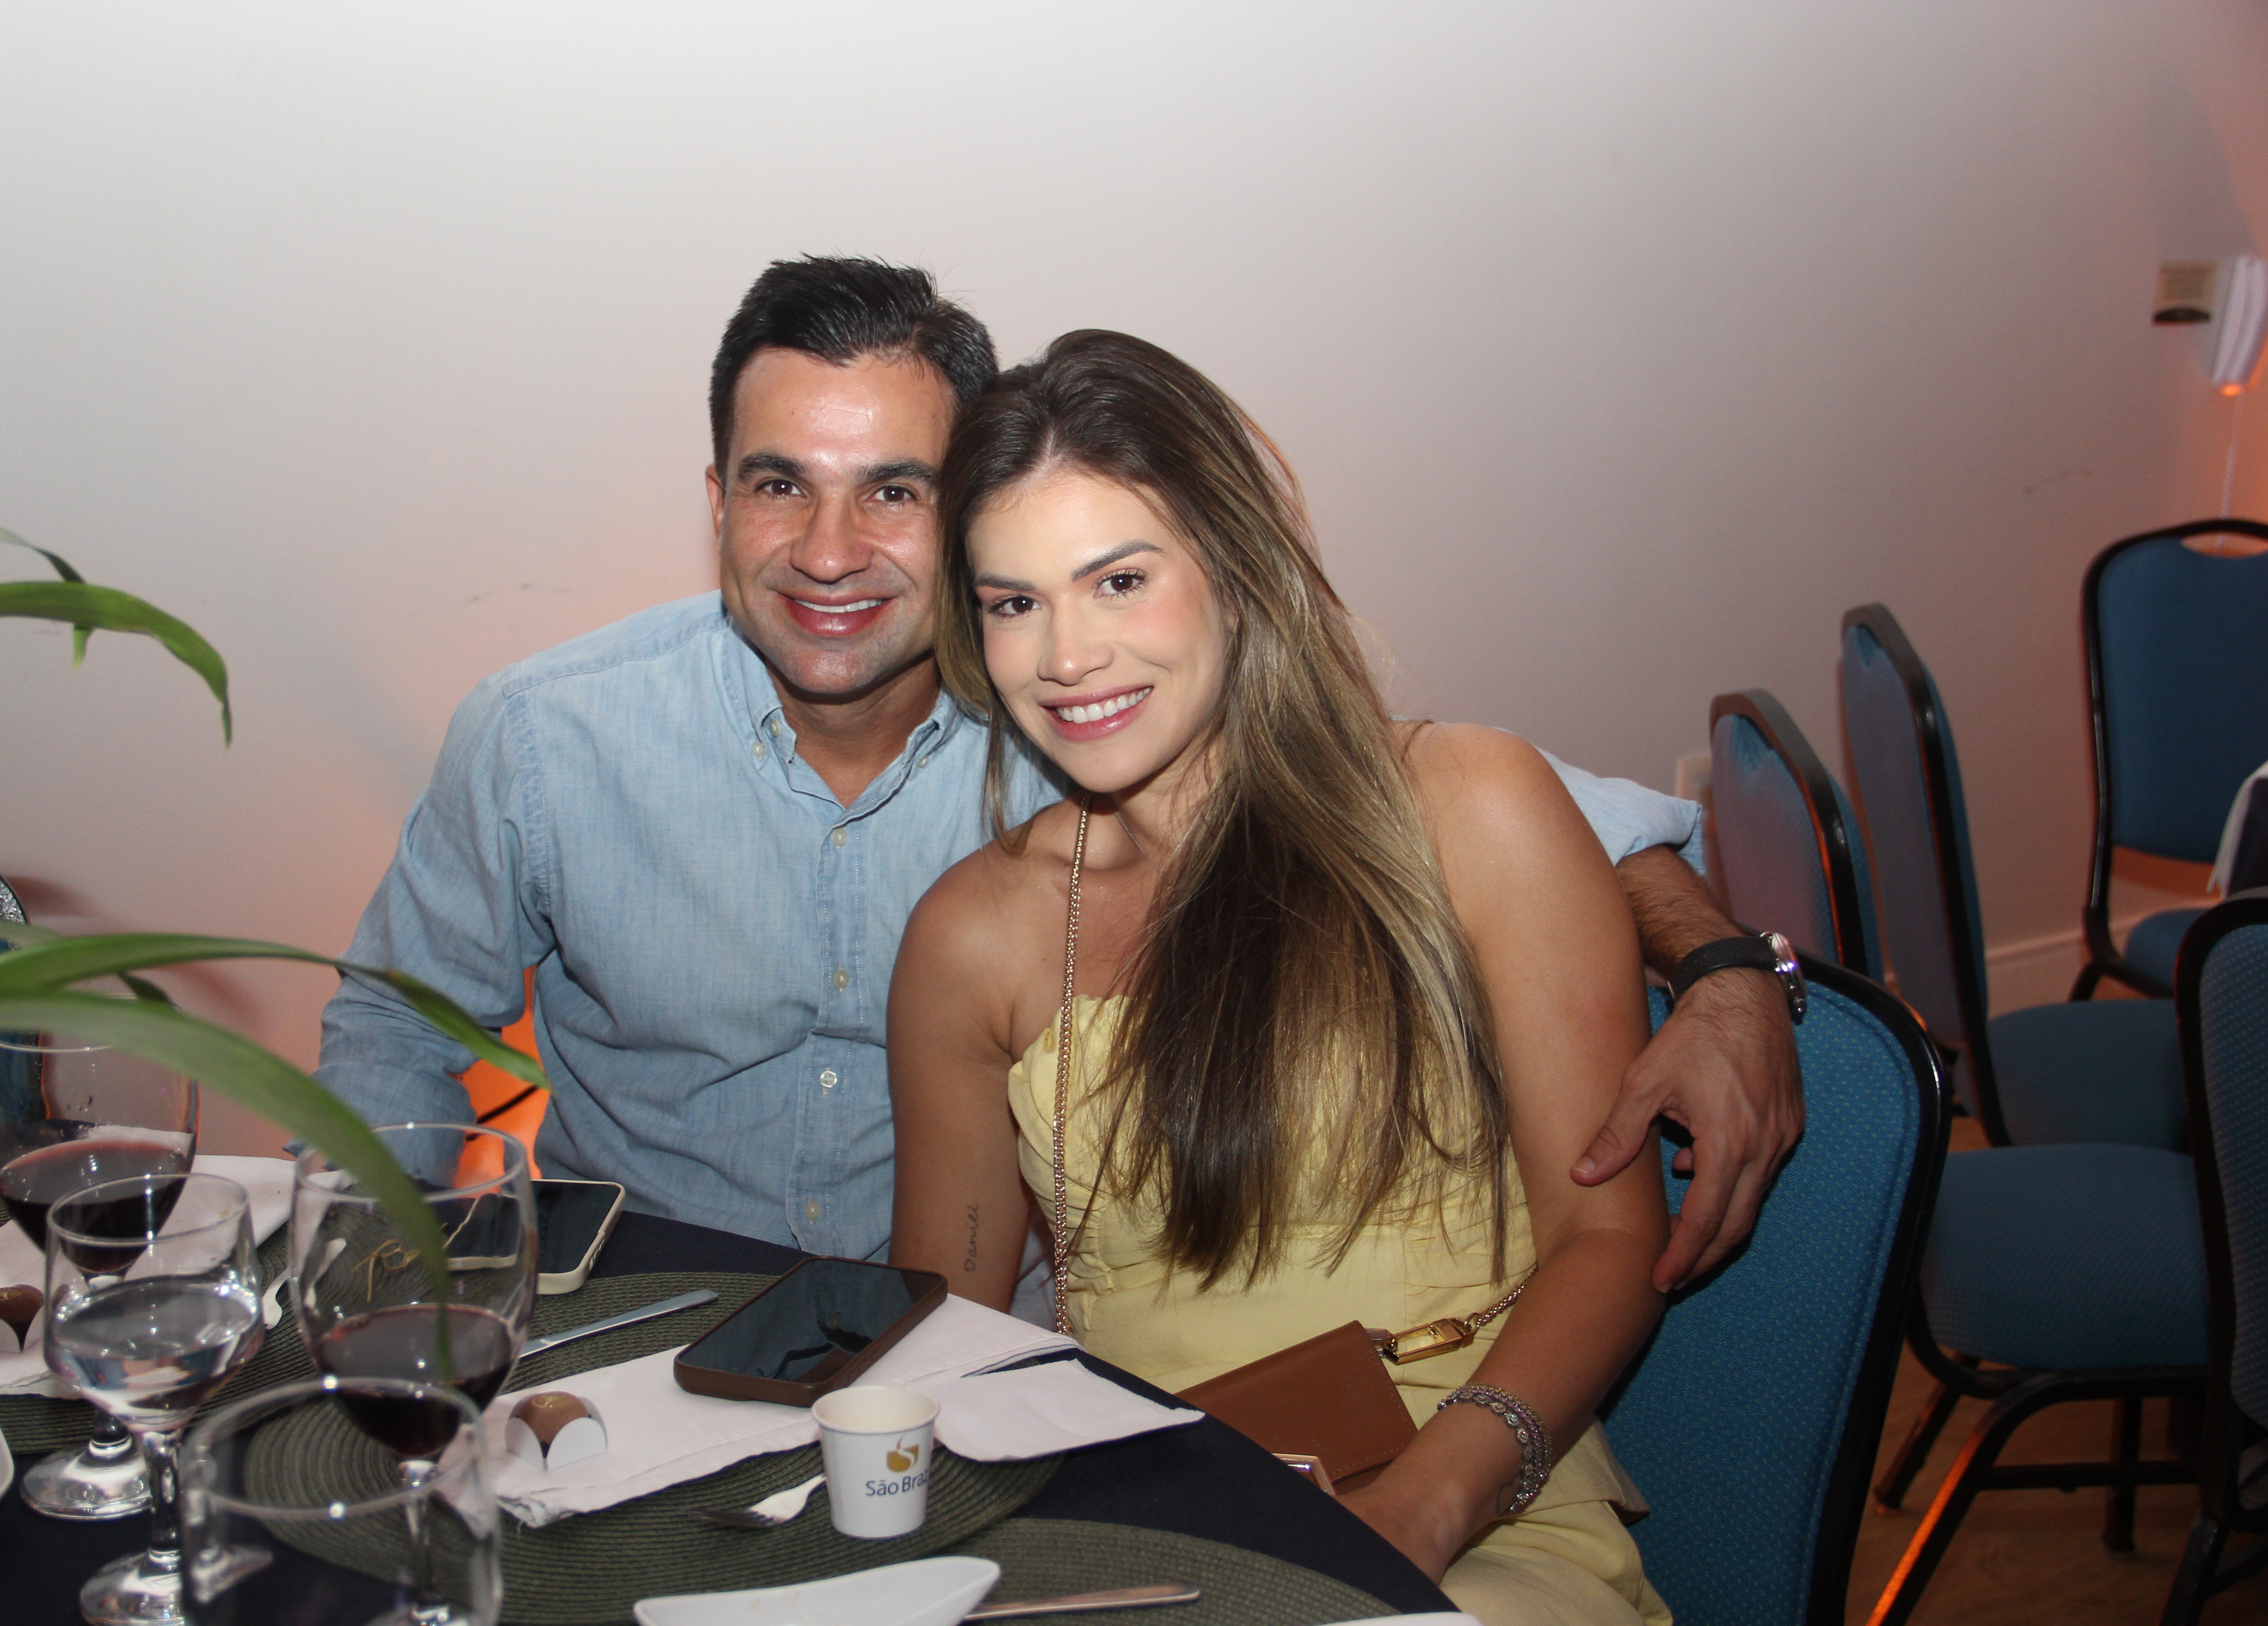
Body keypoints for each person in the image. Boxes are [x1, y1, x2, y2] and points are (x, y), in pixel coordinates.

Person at [315, 256, 1798, 1295]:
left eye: (894, 491)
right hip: (640, 1341)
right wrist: (416, 1289)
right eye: (780, 485)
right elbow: (389, 1022)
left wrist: (1728, 971)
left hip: (993, 1371)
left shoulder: (1075, 714)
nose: (829, 553)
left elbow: (1519, 810)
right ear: (717, 502)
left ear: (969, 515)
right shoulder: (544, 740)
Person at [888, 330, 1674, 1624]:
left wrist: (1421, 1511)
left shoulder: (1468, 811)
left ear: (1237, 571)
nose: (1066, 656)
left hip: (1477, 1512)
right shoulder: (977, 936)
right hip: (1154, 1529)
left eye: (1120, 580)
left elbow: (1610, 1238)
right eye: (1014, 602)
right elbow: (943, 1333)